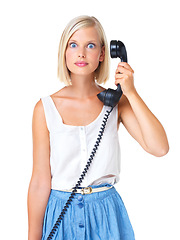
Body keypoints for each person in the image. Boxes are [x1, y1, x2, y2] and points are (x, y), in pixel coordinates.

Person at [27, 15, 169, 240]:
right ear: (64, 52)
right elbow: (39, 182)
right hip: (61, 215)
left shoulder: (115, 103)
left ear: (103, 54)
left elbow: (159, 147)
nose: (81, 53)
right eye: (73, 45)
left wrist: (130, 92)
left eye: (90, 45)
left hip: (106, 214)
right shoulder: (44, 108)